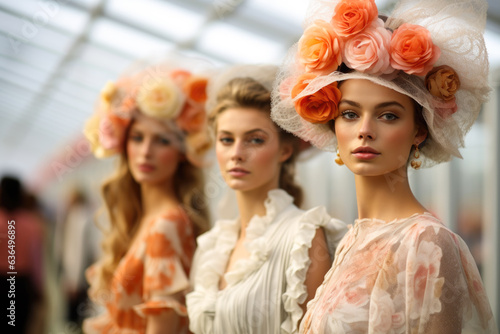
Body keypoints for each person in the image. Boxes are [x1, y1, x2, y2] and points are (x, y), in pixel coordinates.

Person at [271, 0, 498, 332]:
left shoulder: (428, 241)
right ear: (332, 124)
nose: (365, 129)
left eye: (388, 115)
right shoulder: (353, 237)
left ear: (419, 131)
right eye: (350, 114)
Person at [186, 65, 347, 334]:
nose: (236, 153)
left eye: (255, 140)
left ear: (285, 150)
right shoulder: (211, 246)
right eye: (226, 139)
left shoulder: (303, 237)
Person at [82, 57, 212, 334]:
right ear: (124, 142)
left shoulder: (166, 224)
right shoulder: (146, 219)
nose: (145, 151)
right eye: (137, 137)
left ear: (181, 154)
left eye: (162, 140)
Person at [0, 176, 47, 334]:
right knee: (18, 326)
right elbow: (37, 261)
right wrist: (39, 288)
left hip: (2, 280)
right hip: (21, 283)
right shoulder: (32, 223)